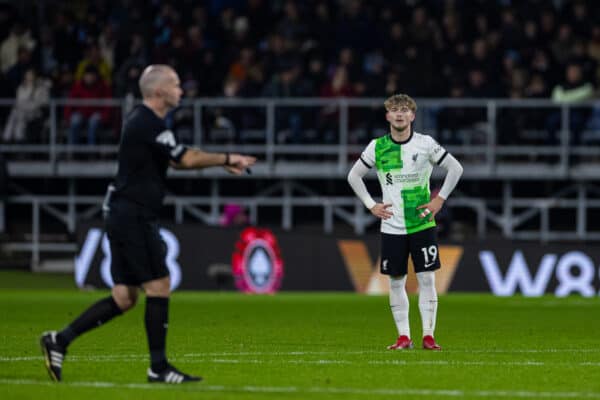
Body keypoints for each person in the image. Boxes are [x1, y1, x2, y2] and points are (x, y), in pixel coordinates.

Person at [40, 64, 256, 383]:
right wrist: (227, 158)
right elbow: (185, 158)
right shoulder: (147, 122)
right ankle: (158, 367)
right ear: (159, 91)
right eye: (176, 85)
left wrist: (217, 162)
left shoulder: (148, 123)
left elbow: (176, 159)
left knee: (125, 297)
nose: (181, 90)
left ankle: (60, 340)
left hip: (125, 212)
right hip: (133, 215)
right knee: (159, 285)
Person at [347, 94, 463, 351]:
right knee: (396, 281)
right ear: (387, 116)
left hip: (421, 223)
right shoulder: (377, 147)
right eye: (394, 110)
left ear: (412, 115)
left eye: (405, 110)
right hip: (392, 226)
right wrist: (371, 205)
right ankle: (403, 337)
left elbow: (456, 168)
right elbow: (353, 176)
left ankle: (429, 336)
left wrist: (439, 200)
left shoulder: (425, 144)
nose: (399, 114)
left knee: (427, 280)